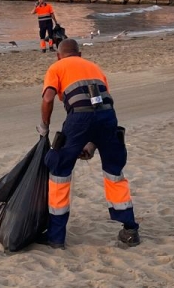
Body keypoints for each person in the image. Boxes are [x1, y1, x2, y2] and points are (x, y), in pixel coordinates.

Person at [37, 39, 139, 249]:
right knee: (114, 171)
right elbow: (100, 104)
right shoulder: (94, 67)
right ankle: (130, 230)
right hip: (108, 117)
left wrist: (44, 127)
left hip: (79, 118)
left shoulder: (56, 67)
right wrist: (92, 144)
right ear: (80, 54)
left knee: (59, 170)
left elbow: (48, 98)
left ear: (58, 56)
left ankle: (56, 237)